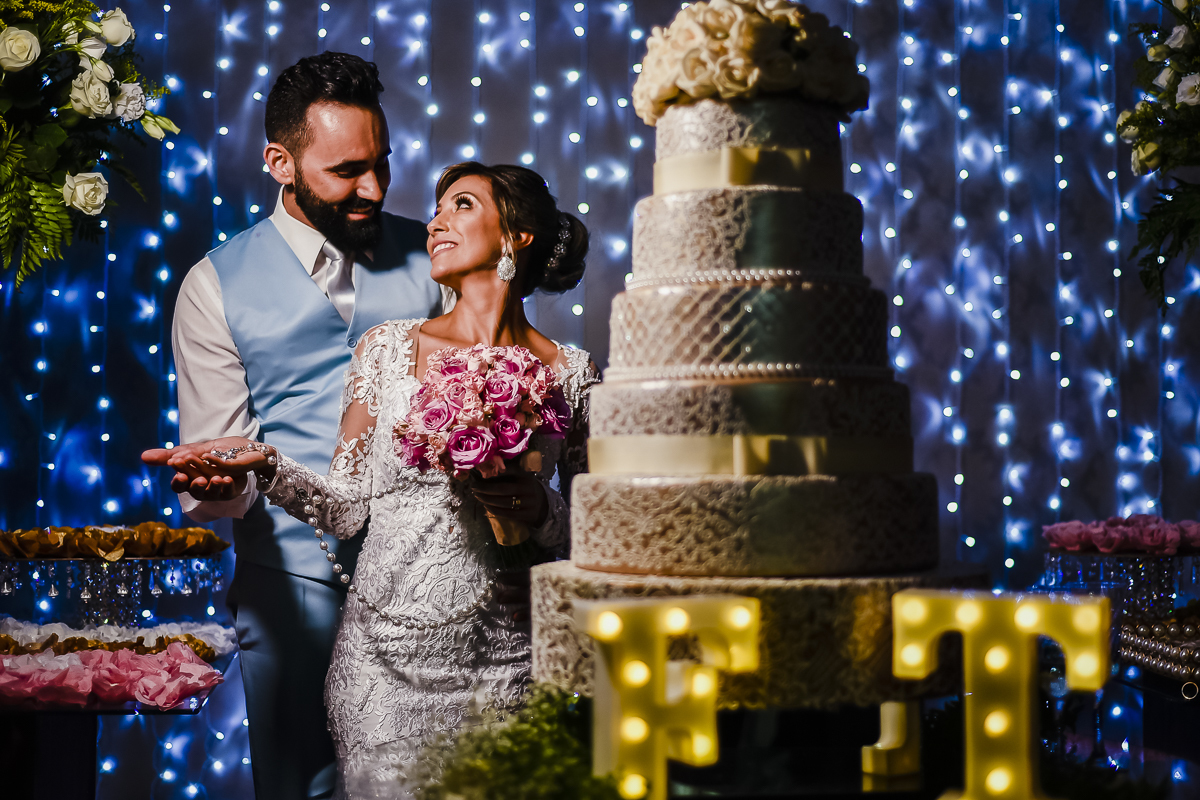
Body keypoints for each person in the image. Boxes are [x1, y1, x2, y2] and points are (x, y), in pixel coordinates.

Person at [145, 161, 598, 798]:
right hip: (384, 664)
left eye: (461, 205)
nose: (436, 221)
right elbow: (348, 510)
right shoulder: (386, 348)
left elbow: (601, 532)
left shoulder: (572, 373)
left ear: (516, 236)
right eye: (437, 208)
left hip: (509, 659)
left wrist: (540, 509)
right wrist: (266, 466)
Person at [161, 53, 446, 799]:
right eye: (348, 170)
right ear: (279, 162)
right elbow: (219, 487)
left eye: (382, 164)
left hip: (432, 585)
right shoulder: (212, 285)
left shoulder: (441, 260)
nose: (375, 189)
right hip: (292, 594)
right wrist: (215, 484)